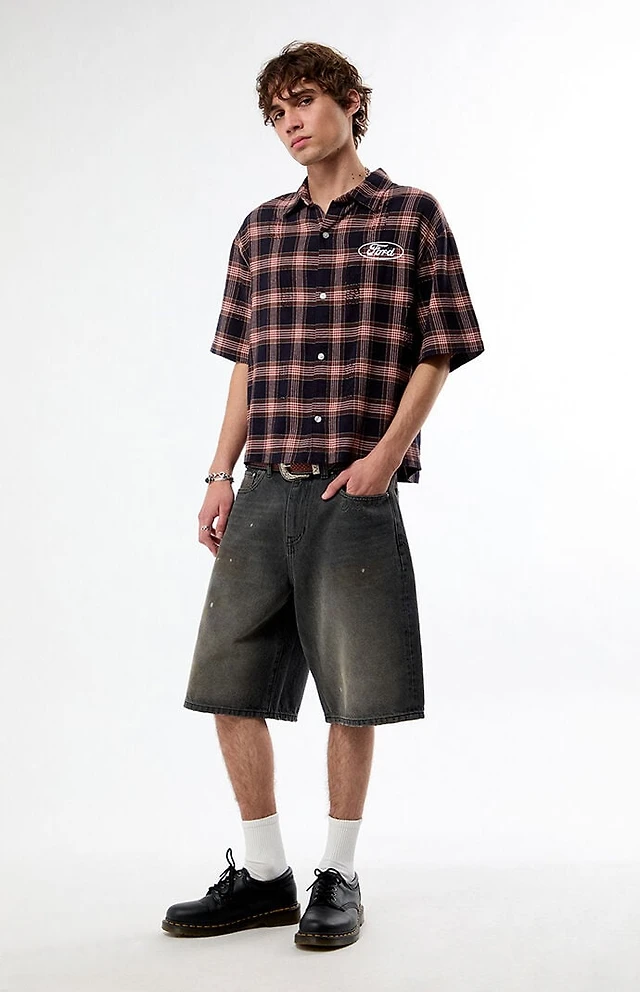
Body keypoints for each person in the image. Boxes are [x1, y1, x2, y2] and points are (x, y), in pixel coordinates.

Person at [162, 40, 484, 950]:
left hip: (355, 489)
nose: (290, 123)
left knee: (354, 692)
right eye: (276, 113)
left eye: (302, 101)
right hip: (264, 486)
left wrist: (385, 457)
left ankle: (339, 875)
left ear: (349, 101)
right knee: (228, 684)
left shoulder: (412, 215)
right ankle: (267, 876)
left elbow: (441, 348)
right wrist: (219, 474)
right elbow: (245, 363)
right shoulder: (260, 230)